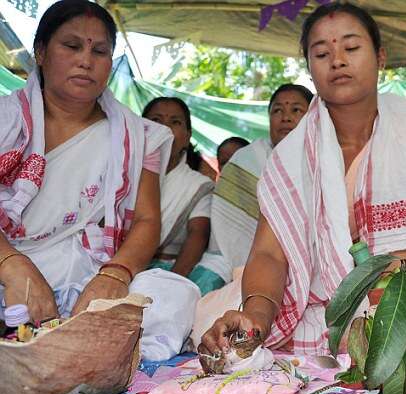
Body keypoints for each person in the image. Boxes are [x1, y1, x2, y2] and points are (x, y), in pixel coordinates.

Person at [198, 3, 406, 356]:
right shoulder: (291, 154)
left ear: (380, 57)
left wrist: (378, 321)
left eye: (352, 48)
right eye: (322, 53)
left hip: (399, 298)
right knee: (209, 317)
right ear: (310, 68)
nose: (338, 60)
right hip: (307, 301)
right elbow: (270, 253)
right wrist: (255, 317)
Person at [0, 0, 199, 360]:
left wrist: (116, 275)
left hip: (85, 271)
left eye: (100, 50)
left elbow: (147, 220)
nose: (86, 60)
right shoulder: (5, 120)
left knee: (173, 294)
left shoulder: (140, 136)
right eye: (72, 46)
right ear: (41, 52)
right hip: (8, 262)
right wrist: (12, 266)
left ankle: (79, 350)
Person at [211, 84, 313, 270]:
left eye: (296, 110)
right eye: (277, 110)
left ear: (313, 115)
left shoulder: (325, 157)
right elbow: (230, 224)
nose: (286, 117)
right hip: (238, 262)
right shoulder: (246, 159)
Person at [143, 97, 227, 295]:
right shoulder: (121, 174)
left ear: (187, 136)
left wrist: (169, 285)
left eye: (175, 122)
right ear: (141, 128)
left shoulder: (198, 186)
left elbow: (198, 235)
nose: (165, 129)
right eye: (156, 120)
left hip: (168, 271)